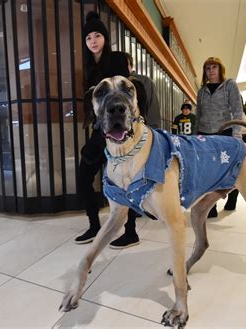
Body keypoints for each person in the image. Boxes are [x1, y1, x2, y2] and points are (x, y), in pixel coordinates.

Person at [74, 11, 140, 249]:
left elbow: (128, 92)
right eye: (88, 37)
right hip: (101, 132)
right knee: (84, 175)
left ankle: (130, 231)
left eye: (97, 35)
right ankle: (94, 225)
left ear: (105, 38)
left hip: (123, 130)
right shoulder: (88, 68)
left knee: (127, 180)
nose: (93, 40)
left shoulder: (118, 59)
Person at [195, 56, 243, 218]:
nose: (211, 71)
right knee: (209, 172)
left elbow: (237, 110)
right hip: (205, 134)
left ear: (220, 69)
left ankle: (232, 197)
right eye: (208, 68)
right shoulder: (201, 91)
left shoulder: (230, 85)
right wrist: (196, 137)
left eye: (214, 67)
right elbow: (199, 114)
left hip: (225, 133)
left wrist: (237, 134)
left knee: (228, 169)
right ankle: (211, 206)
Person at [125, 53, 161, 129]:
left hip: (142, 131)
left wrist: (153, 133)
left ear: (131, 66)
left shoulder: (144, 81)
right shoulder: (112, 84)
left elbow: (152, 111)